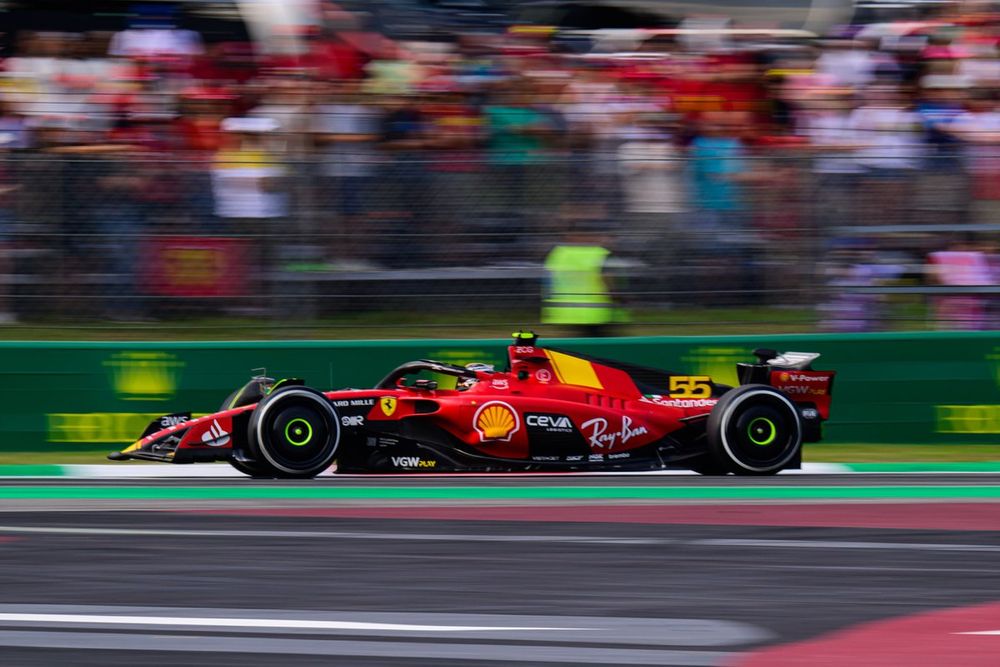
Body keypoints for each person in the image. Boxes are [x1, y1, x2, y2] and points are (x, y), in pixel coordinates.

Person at [542, 227, 623, 338]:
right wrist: (617, 296)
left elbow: (549, 280)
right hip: (594, 312)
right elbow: (606, 278)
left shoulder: (558, 253)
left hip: (564, 312)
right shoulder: (599, 253)